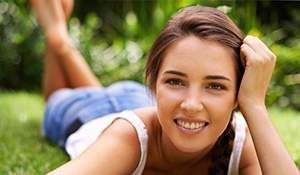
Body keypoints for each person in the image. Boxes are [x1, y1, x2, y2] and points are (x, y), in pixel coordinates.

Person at [30, 0, 299, 174]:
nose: (192, 104)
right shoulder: (128, 138)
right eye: (175, 81)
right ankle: (57, 38)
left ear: (237, 95)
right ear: (155, 82)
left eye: (215, 86)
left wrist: (254, 105)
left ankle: (59, 34)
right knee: (57, 96)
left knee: (107, 94)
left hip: (137, 99)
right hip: (86, 115)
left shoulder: (239, 144)